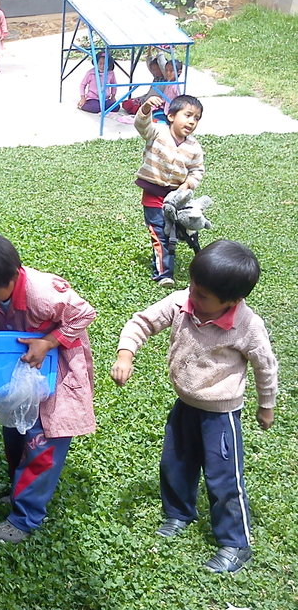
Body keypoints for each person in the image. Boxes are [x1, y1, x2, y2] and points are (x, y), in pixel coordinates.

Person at [111, 240, 277, 574]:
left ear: (230, 301)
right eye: (193, 288)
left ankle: (235, 543)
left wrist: (266, 405)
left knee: (224, 479)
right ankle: (178, 513)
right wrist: (125, 353)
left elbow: (266, 366)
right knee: (176, 462)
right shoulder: (183, 301)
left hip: (221, 414)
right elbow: (143, 322)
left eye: (203, 296)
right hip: (185, 404)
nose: (193, 298)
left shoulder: (248, 326)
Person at [0, 230, 96, 544]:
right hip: (25, 376)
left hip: (56, 378)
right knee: (16, 434)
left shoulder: (43, 293)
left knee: (41, 447)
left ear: (14, 275)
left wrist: (48, 341)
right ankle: (19, 490)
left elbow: (84, 313)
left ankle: (25, 517)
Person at [134, 93, 204, 288]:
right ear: (171, 116)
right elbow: (141, 124)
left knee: (183, 231)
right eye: (188, 115)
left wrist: (187, 185)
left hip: (177, 198)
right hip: (153, 194)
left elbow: (197, 170)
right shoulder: (157, 132)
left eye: (196, 118)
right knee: (160, 233)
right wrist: (146, 107)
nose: (191, 122)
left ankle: (201, 259)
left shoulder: (194, 147)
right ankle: (164, 274)